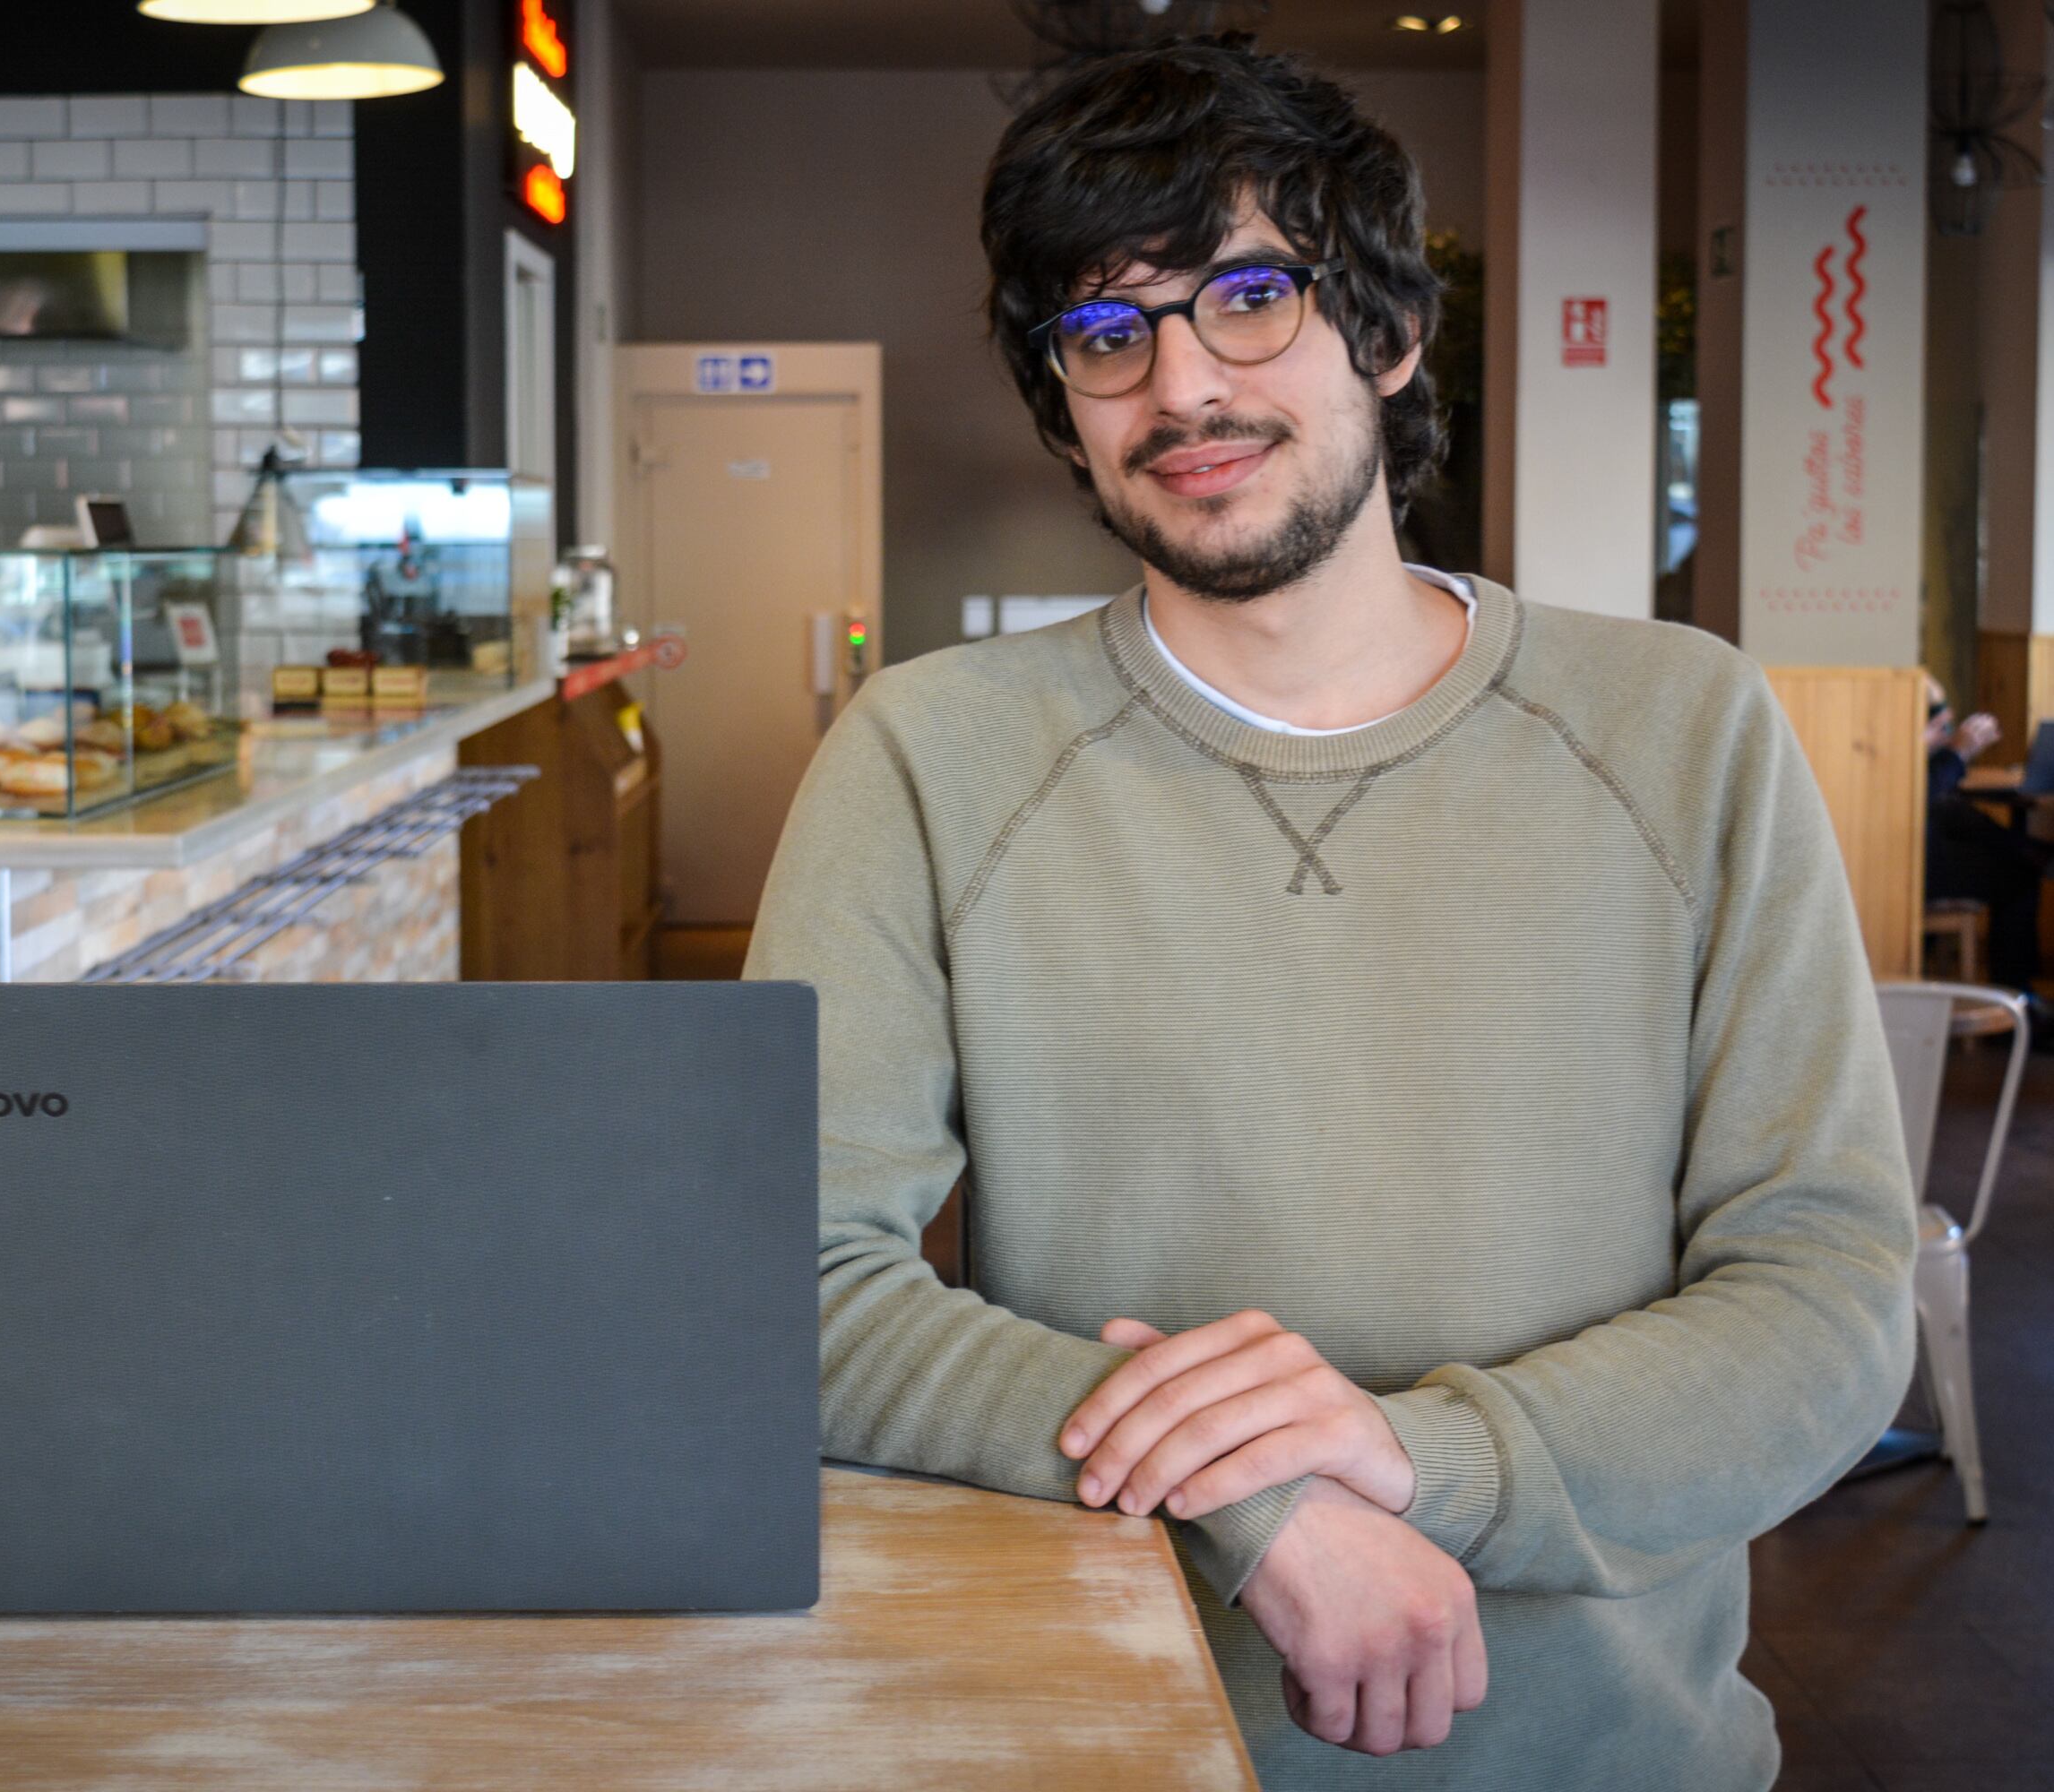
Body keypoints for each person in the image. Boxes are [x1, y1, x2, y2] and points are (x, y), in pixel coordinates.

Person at [745, 39, 1916, 1792]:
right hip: (1120, 1743)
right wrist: (1258, 1499)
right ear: (1063, 400)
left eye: (1246, 297)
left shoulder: (1684, 730)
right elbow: (780, 1278)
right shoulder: (930, 755)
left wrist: (1408, 1459)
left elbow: (1823, 1294)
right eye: (1105, 333)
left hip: (1617, 1760)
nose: (1181, 386)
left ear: (1388, 327)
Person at [1924, 673, 2050, 1025]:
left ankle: (2029, 851)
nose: (1946, 721)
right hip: (1906, 867)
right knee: (2018, 877)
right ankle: (2015, 997)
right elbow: (1925, 795)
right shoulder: (1897, 754)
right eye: (1935, 713)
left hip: (1927, 847)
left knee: (1968, 821)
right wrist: (1956, 752)